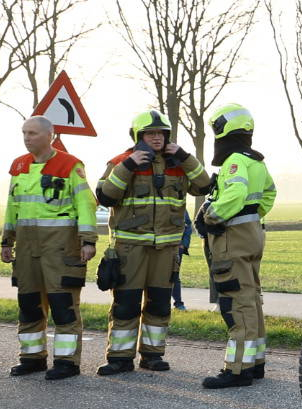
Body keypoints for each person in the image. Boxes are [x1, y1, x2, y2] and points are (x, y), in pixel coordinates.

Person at [94, 110, 211, 375]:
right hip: (130, 248)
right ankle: (120, 358)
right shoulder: (120, 161)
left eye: (161, 133)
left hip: (166, 249)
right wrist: (129, 167)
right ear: (139, 136)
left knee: (159, 304)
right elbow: (105, 196)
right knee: (126, 304)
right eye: (150, 133)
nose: (156, 138)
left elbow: (204, 186)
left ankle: (153, 355)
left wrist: (185, 157)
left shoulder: (178, 163)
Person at [1, 116, 97, 380]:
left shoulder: (70, 164)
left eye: (32, 133)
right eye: (24, 132)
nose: (26, 137)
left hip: (61, 246)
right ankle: (32, 358)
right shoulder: (18, 166)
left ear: (50, 135)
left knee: (63, 303)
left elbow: (86, 205)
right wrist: (6, 240)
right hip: (27, 245)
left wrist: (88, 240)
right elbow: (12, 207)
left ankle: (67, 362)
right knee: (29, 302)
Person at [197, 102, 275, 388]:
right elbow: (269, 193)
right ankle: (255, 363)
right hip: (252, 234)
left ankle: (237, 370)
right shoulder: (256, 161)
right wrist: (252, 217)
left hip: (231, 237)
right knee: (251, 299)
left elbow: (236, 192)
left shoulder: (234, 162)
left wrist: (211, 217)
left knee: (235, 302)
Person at [172, 211, 193, 311]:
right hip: (156, 246)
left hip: (176, 247)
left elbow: (188, 225)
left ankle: (179, 304)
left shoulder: (179, 201)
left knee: (174, 275)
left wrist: (184, 244)